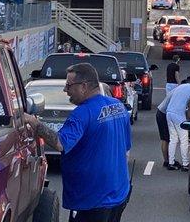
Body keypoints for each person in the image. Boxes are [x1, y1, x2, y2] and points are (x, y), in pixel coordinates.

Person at [24, 63, 131, 222]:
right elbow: (126, 147)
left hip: (92, 200)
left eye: (68, 85)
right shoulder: (118, 107)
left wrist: (34, 123)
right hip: (118, 193)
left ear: (84, 86)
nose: (65, 90)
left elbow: (60, 142)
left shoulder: (82, 113)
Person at [165, 78, 190, 171]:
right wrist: (189, 120)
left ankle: (171, 163)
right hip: (178, 115)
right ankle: (185, 164)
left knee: (173, 139)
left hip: (169, 112)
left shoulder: (181, 86)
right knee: (184, 140)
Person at [156, 89, 180, 169]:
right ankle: (167, 161)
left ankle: (167, 160)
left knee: (165, 138)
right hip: (163, 113)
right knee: (165, 138)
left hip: (162, 112)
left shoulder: (177, 90)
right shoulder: (180, 94)